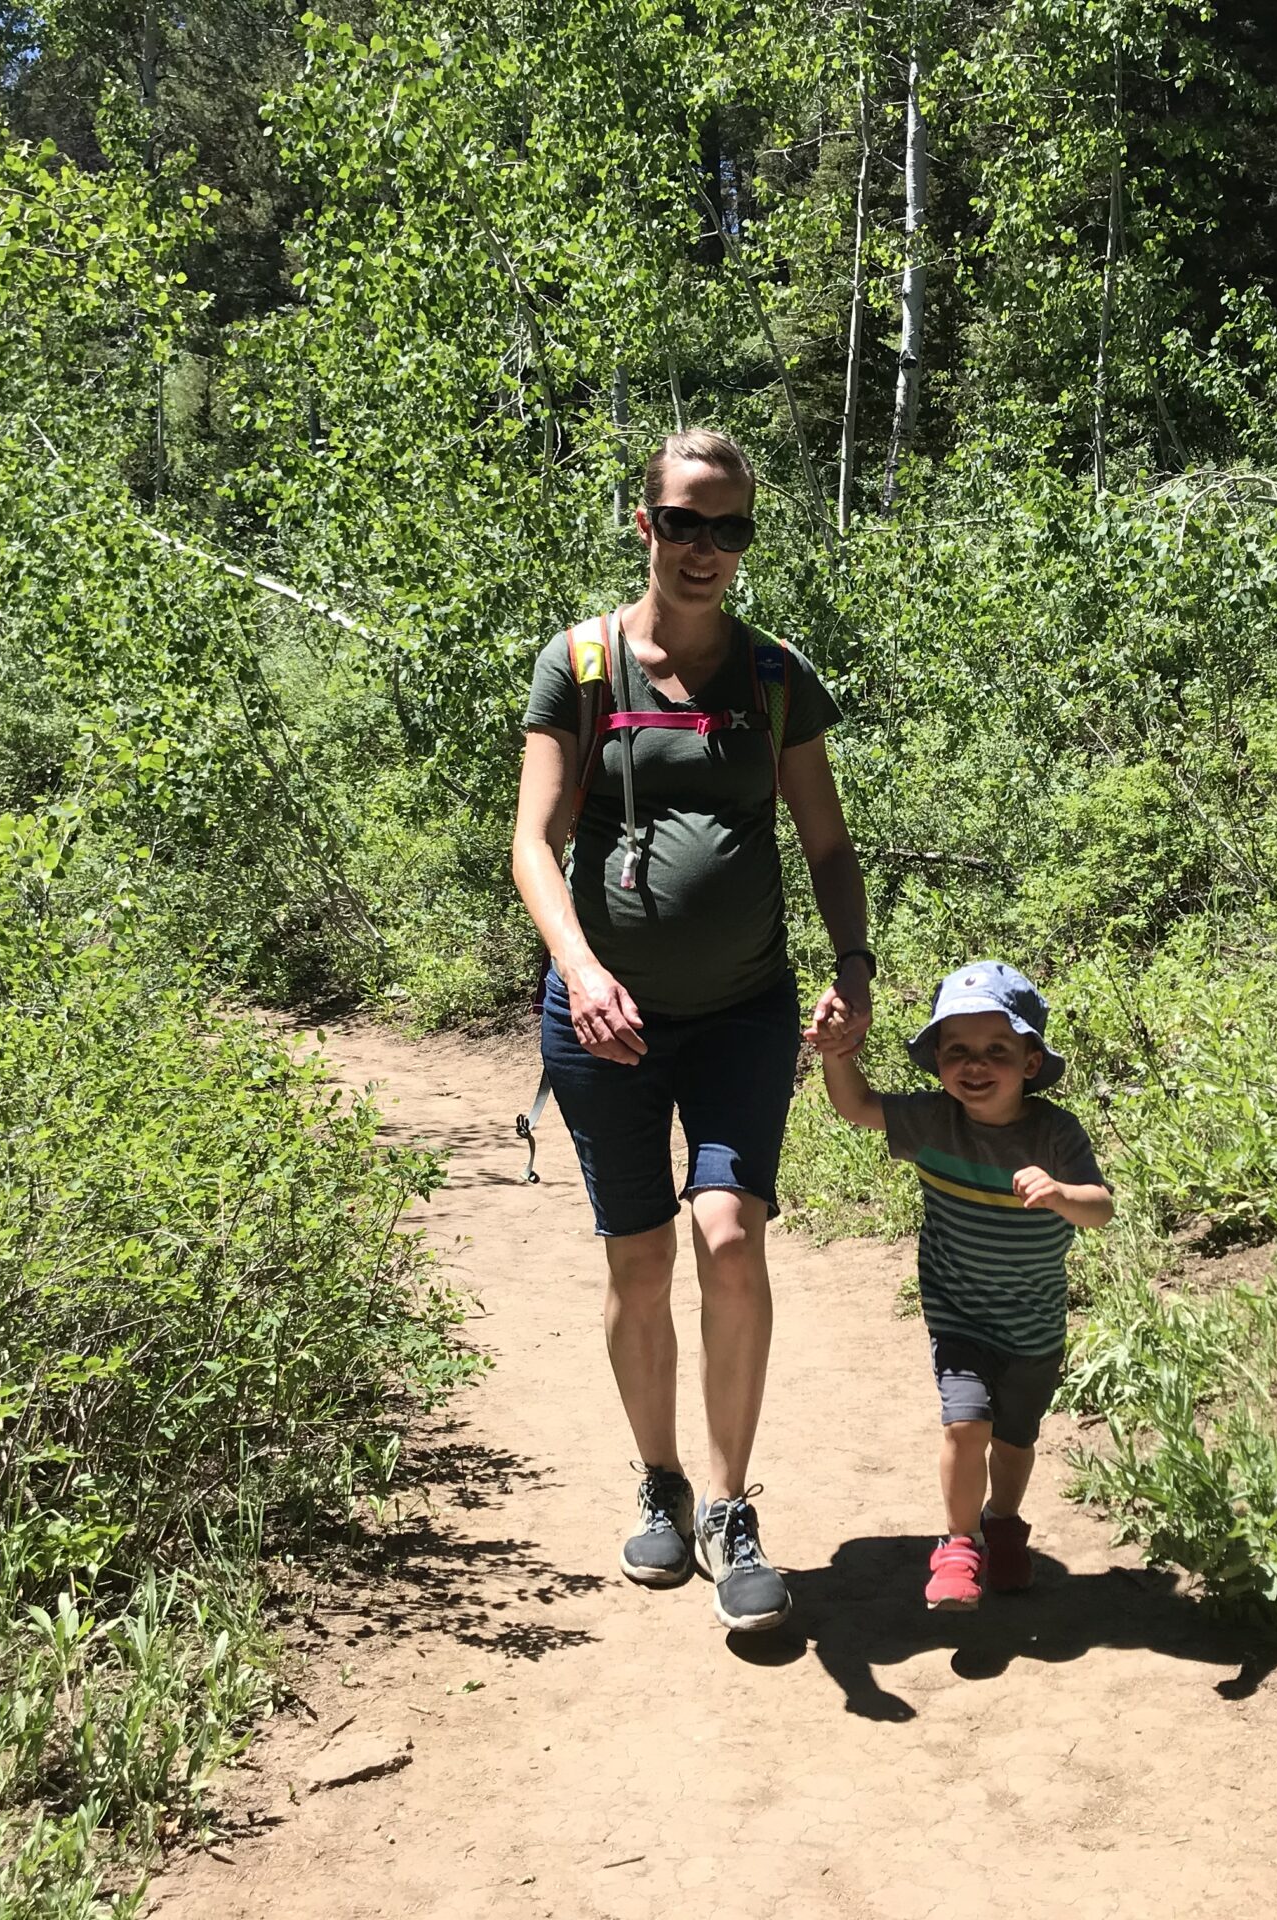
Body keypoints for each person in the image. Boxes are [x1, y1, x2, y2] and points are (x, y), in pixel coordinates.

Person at [511, 428, 873, 1633]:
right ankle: (658, 1484)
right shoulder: (581, 662)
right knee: (640, 1254)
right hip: (600, 1018)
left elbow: (825, 844)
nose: (708, 550)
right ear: (645, 524)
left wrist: (853, 971)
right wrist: (580, 967)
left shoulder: (774, 679)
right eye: (686, 523)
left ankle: (729, 1506)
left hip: (742, 1012)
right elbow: (535, 844)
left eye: (732, 529)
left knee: (728, 1235)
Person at [817, 961, 1113, 1609]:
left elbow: (1101, 1206)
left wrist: (1063, 1193)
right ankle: (958, 1545)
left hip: (1033, 1325)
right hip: (958, 1315)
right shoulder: (932, 1120)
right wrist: (838, 1054)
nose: (975, 1066)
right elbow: (857, 1106)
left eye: (996, 1051)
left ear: (1031, 1062)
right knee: (966, 1425)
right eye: (958, 1051)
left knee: (1015, 1441)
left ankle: (1004, 1526)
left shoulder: (1054, 1132)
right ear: (938, 1060)